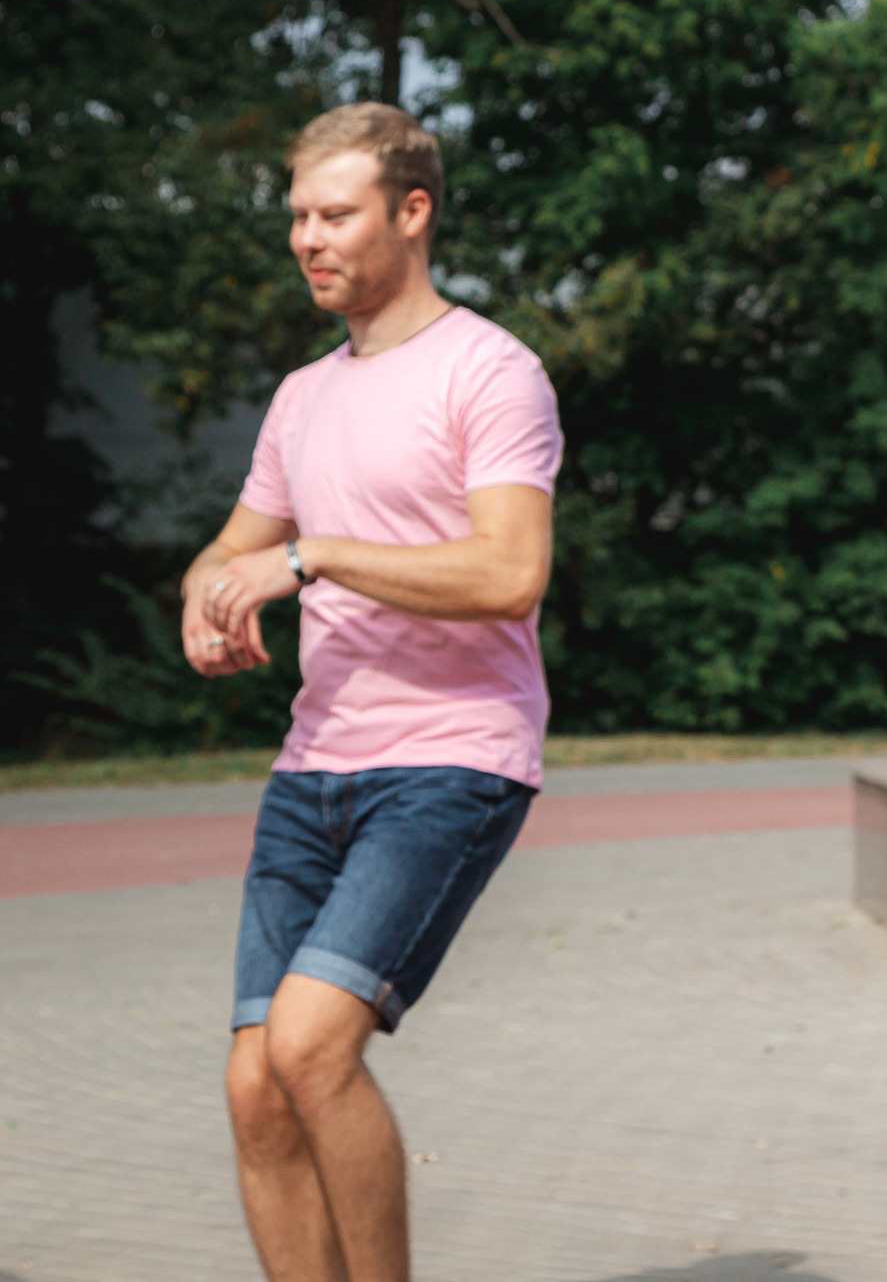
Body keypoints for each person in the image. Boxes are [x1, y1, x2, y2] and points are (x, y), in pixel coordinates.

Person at [181, 103, 563, 1282]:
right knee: (255, 1083)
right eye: (296, 215)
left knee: (309, 1047)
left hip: (451, 761)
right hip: (313, 770)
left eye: (334, 212)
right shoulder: (303, 397)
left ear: (412, 212)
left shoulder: (491, 371)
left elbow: (509, 571)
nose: (308, 237)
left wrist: (314, 555)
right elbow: (231, 546)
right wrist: (210, 597)